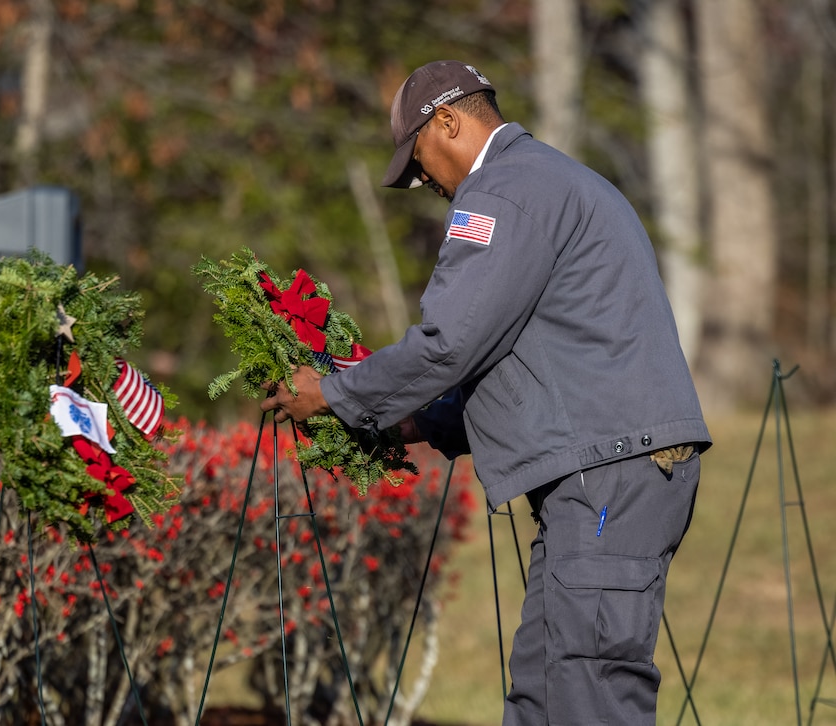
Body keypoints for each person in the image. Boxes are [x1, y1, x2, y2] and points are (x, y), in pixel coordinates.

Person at [261, 60, 711, 725]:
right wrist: (420, 422)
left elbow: (451, 341)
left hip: (605, 476)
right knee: (544, 690)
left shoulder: (501, 192)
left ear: (448, 121)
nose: (422, 184)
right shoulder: (558, 180)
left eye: (417, 164)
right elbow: (542, 358)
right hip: (609, 470)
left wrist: (331, 393)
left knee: (586, 695)